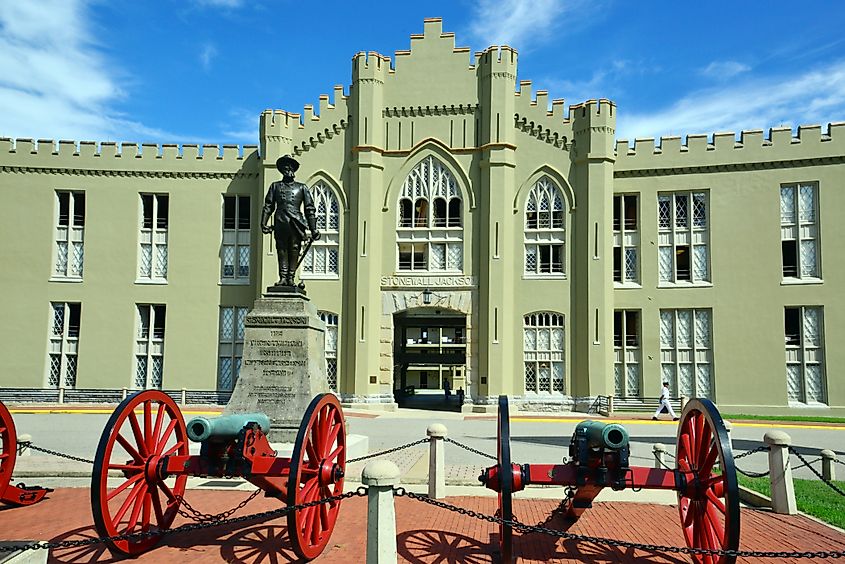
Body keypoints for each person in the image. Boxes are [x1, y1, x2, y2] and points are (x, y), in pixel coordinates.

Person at [260, 155, 320, 287]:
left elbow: (310, 209)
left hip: (296, 223)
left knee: (294, 249)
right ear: (281, 170)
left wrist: (313, 228)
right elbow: (268, 206)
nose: (288, 169)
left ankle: (291, 277)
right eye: (285, 166)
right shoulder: (275, 186)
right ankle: (283, 277)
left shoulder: (302, 187)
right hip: (280, 222)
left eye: (291, 166)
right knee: (281, 249)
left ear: (294, 169)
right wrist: (263, 223)